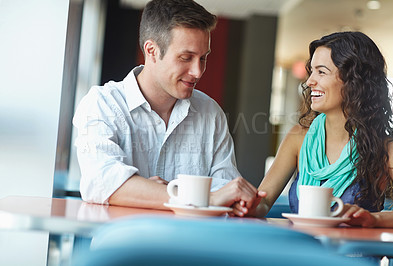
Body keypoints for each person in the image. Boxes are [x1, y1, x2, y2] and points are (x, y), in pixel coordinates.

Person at [73, 0, 265, 212]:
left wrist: (143, 189)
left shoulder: (211, 114)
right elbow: (103, 182)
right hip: (122, 244)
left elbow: (227, 194)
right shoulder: (102, 104)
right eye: (186, 58)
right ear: (152, 50)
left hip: (191, 244)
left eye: (203, 58)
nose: (198, 71)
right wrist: (197, 197)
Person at [237, 31, 393, 227]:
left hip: (353, 257)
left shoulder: (387, 148)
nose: (309, 81)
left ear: (354, 81)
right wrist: (249, 205)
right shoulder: (298, 137)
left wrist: (374, 218)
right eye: (311, 71)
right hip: (302, 253)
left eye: (321, 72)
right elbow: (262, 202)